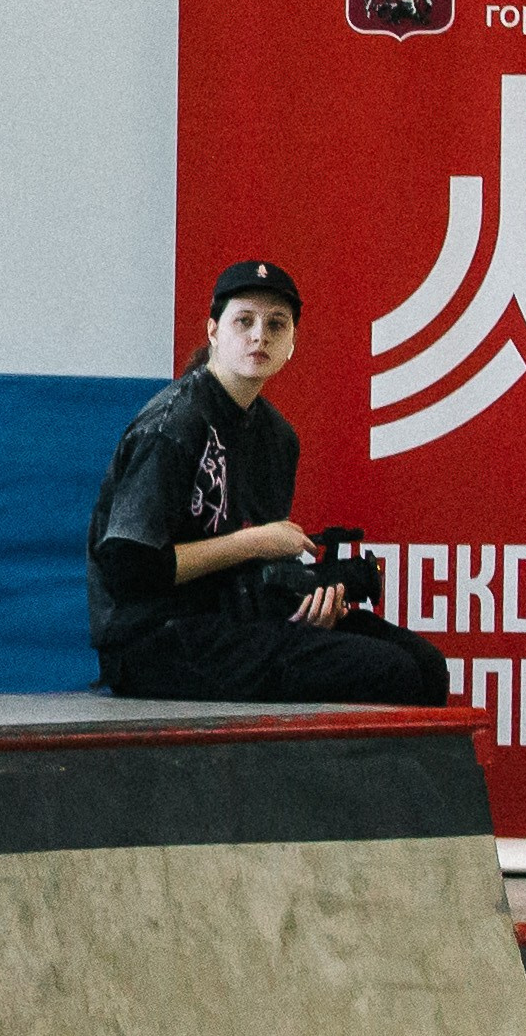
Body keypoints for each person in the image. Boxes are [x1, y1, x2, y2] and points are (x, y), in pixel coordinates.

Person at [86, 260, 448, 705]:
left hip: (237, 620)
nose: (260, 335)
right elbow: (130, 570)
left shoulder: (278, 438)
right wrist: (256, 542)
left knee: (426, 665)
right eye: (245, 321)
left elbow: (257, 573)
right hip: (153, 639)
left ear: (293, 344)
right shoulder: (174, 423)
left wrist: (313, 598)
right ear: (214, 331)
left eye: (277, 324)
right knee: (390, 673)